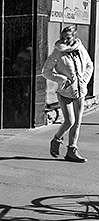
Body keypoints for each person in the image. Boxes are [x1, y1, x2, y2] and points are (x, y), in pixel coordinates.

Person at [42, 25, 94, 163]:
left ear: (74, 37)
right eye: (62, 37)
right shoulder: (57, 52)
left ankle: (72, 150)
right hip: (65, 92)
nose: (64, 40)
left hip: (80, 91)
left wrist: (84, 80)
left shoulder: (80, 49)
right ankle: (56, 139)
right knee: (69, 121)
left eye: (68, 38)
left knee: (77, 121)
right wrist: (61, 78)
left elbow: (89, 65)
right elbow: (46, 71)